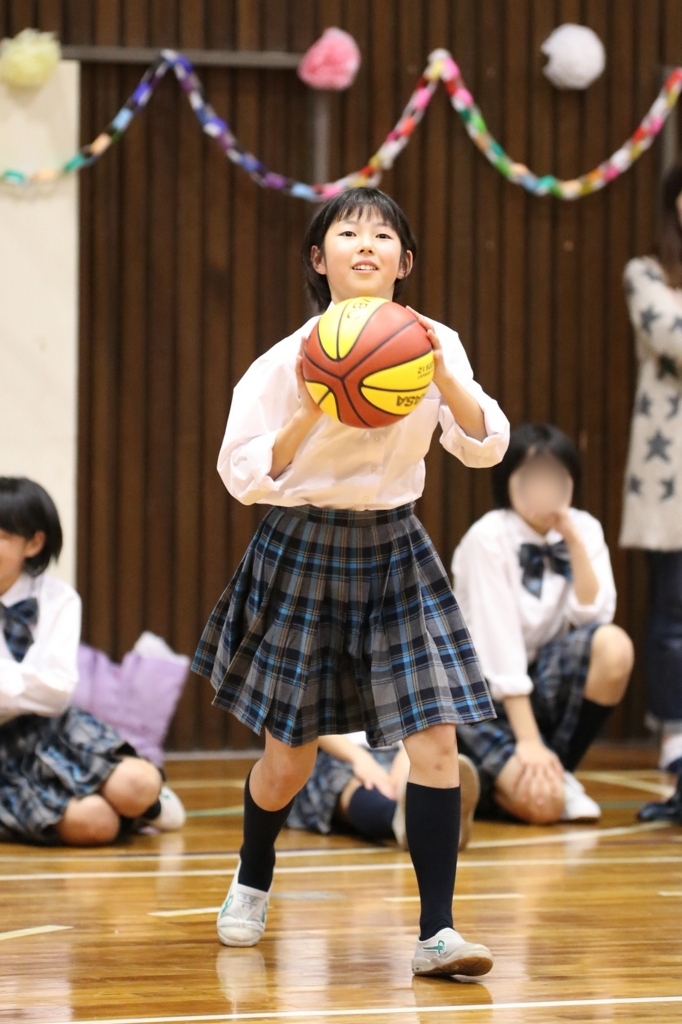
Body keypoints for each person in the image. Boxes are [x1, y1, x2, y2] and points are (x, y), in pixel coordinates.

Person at [193, 187, 509, 978]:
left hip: (396, 544)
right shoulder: (282, 360)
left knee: (437, 740)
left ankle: (437, 931)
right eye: (346, 231)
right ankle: (253, 874)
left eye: (381, 235)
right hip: (301, 547)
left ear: (404, 263)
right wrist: (313, 402)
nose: (364, 244)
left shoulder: (436, 342)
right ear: (318, 258)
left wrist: (445, 376)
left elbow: (485, 446)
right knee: (288, 763)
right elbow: (241, 474)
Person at [452, 424, 633, 825]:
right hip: (481, 695)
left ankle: (557, 770)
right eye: (532, 477)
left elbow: (593, 617)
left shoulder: (583, 528)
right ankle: (488, 784)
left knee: (614, 646)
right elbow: (497, 649)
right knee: (543, 808)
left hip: (544, 682)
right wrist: (529, 741)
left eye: (556, 477)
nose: (544, 488)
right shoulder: (488, 538)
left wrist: (570, 538)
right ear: (507, 482)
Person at [0, 476, 184, 845]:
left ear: (34, 543)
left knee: (140, 782)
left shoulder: (59, 598)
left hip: (54, 727)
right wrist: (28, 681)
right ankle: (113, 811)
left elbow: (56, 691)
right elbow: (41, 684)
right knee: (95, 826)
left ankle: (138, 804)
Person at [620, 161, 682, 778]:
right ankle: (674, 735)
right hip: (671, 476)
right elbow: (672, 337)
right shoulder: (646, 274)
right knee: (674, 610)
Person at [286, 732, 480, 852]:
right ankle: (414, 823)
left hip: (403, 746)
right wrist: (358, 758)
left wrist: (406, 755)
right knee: (354, 786)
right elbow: (307, 716)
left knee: (425, 772)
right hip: (338, 753)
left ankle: (442, 820)